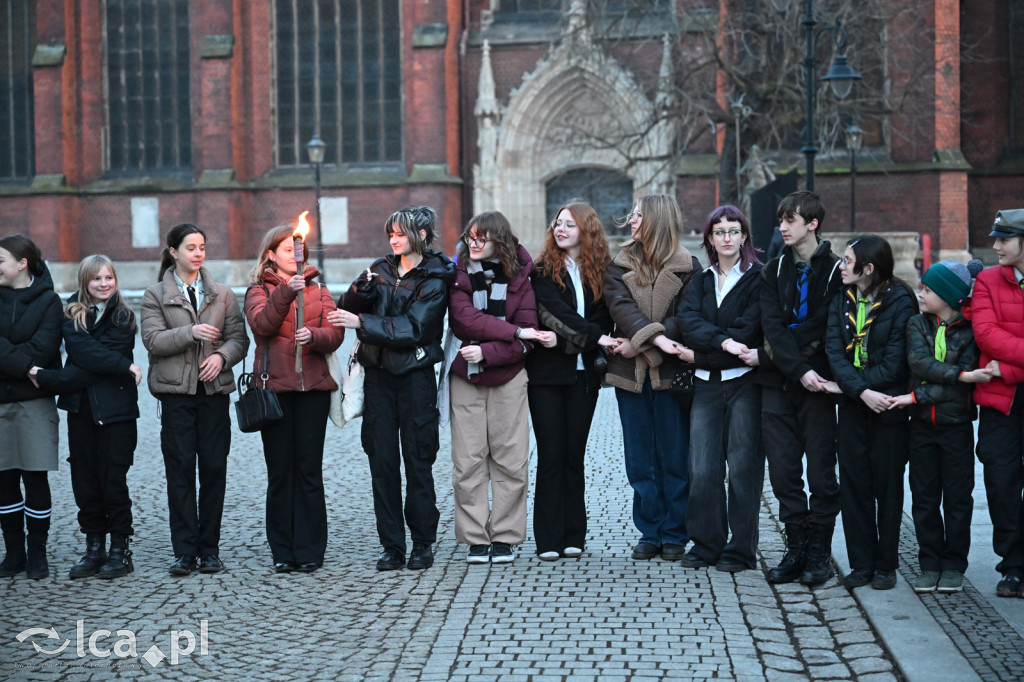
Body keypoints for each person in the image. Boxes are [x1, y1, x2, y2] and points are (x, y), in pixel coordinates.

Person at [331, 207, 453, 572]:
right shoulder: (380, 269)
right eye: (390, 234)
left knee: (418, 462)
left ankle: (422, 543)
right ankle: (391, 545)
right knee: (381, 463)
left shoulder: (435, 277)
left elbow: (414, 328)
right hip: (379, 378)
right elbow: (345, 308)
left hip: (415, 378)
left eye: (399, 233)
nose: (393, 240)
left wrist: (362, 320)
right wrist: (358, 292)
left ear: (421, 235)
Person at [444, 210, 551, 564]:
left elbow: (528, 337)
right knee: (468, 461)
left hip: (508, 377)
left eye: (480, 238)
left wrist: (488, 350)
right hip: (466, 377)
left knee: (510, 459)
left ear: (498, 240)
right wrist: (514, 332)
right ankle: (476, 538)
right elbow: (464, 319)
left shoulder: (522, 278)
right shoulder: (458, 273)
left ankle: (504, 536)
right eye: (469, 237)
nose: (472, 244)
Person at [141, 223, 247, 576]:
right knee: (181, 471)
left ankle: (210, 549)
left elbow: (238, 339)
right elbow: (153, 341)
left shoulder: (223, 294)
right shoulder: (155, 294)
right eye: (190, 247)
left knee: (215, 469)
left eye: (202, 246)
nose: (198, 252)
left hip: (214, 394)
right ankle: (185, 550)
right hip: (176, 397)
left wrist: (222, 357)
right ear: (173, 252)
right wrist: (191, 332)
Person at [603, 194, 701, 562]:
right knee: (640, 459)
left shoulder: (690, 267)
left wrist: (644, 343)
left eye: (639, 214)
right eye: (632, 213)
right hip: (631, 376)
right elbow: (621, 310)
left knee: (675, 456)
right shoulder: (618, 265)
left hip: (672, 376)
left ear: (657, 219)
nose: (631, 219)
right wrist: (656, 339)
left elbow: (687, 318)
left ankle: (675, 531)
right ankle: (650, 530)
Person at [32, 255, 143, 580]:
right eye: (97, 279)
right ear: (85, 282)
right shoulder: (70, 311)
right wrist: (119, 366)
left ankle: (120, 549)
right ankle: (94, 547)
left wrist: (51, 379)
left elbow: (90, 363)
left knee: (113, 482)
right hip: (81, 412)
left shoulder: (124, 316)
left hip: (117, 413)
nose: (104, 284)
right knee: (85, 482)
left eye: (109, 277)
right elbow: (84, 355)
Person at [246, 225, 344, 574]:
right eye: (286, 248)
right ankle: (283, 549)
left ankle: (310, 549)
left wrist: (315, 336)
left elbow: (335, 333)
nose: (293, 253)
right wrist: (286, 291)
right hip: (275, 392)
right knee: (281, 473)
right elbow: (262, 325)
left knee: (308, 471)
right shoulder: (259, 290)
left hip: (312, 392)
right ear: (271, 254)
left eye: (297, 248)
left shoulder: (319, 289)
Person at [757, 190, 843, 586]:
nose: (782, 227)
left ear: (812, 223)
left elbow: (827, 325)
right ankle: (795, 547)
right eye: (780, 221)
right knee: (784, 472)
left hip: (821, 384)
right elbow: (771, 328)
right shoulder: (772, 271)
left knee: (822, 473)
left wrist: (808, 370)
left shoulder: (835, 270)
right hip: (780, 383)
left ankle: (818, 552)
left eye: (790, 220)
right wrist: (797, 370)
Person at [889, 260, 988, 594]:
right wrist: (959, 376)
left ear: (947, 296)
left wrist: (918, 397)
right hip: (921, 430)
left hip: (956, 427)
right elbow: (920, 362)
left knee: (958, 499)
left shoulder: (972, 331)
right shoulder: (917, 324)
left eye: (928, 289)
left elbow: (961, 384)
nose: (921, 291)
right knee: (924, 498)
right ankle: (929, 563)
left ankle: (954, 565)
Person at [825, 235, 917, 590]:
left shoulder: (900, 301)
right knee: (854, 486)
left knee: (887, 487)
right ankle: (861, 563)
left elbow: (895, 364)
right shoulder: (841, 300)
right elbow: (835, 355)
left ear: (869, 268)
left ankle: (885, 565)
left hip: (889, 407)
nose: (842, 266)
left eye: (848, 261)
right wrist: (861, 391)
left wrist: (864, 389)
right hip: (855, 405)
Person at [526, 201, 616, 561]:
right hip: (547, 376)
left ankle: (573, 534)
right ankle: (547, 538)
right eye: (557, 223)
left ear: (586, 230)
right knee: (551, 454)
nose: (560, 229)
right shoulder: (543, 270)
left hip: (584, 377)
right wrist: (594, 338)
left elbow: (606, 316)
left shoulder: (602, 270)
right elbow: (552, 315)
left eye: (569, 224)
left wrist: (591, 336)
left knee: (574, 456)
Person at [676, 205, 763, 572]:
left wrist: (701, 354)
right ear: (709, 239)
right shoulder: (700, 280)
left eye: (733, 231)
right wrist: (723, 345)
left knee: (743, 470)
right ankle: (706, 544)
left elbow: (750, 330)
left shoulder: (760, 278)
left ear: (744, 236)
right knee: (702, 469)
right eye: (719, 232)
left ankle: (741, 550)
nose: (726, 238)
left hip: (746, 386)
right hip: (706, 389)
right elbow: (687, 322)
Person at [0, 234, 63, 580]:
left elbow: (45, 350)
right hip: (1, 401)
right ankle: (14, 553)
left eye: (0, 260)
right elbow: (33, 360)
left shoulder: (49, 301)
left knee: (34, 478)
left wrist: (12, 355)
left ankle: (37, 552)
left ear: (22, 263)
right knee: (4, 481)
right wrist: (25, 367)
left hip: (34, 404)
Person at [972, 208, 1024, 598]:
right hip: (1000, 404)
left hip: (1003, 379)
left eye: (1004, 239)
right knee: (1001, 482)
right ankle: (1013, 566)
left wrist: (1006, 370)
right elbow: (987, 335)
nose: (995, 246)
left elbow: (999, 354)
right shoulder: (988, 280)